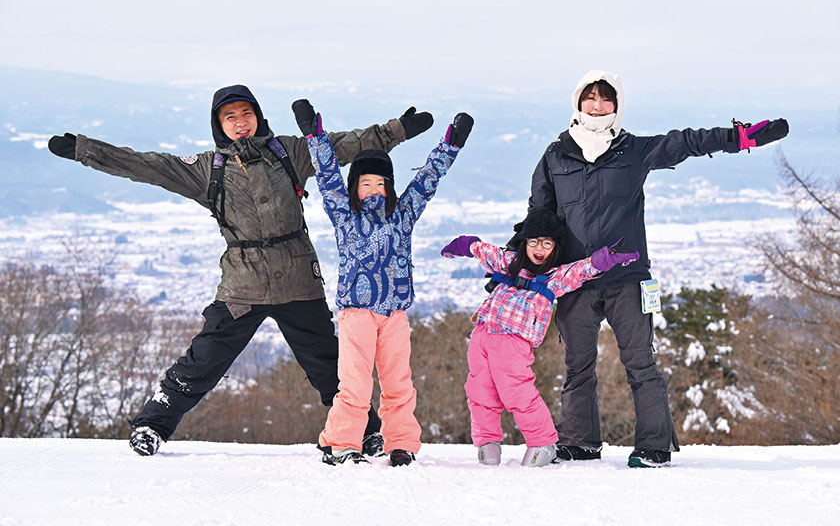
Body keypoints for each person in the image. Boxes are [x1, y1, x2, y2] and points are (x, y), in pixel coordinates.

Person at [46, 85, 435, 456]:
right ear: (219, 124)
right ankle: (152, 425)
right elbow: (148, 166)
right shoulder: (207, 169)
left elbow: (345, 145)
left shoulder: (289, 153)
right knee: (204, 360)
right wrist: (86, 150)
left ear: (258, 116)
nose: (240, 121)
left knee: (330, 366)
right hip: (242, 285)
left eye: (246, 113)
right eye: (229, 116)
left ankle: (364, 432)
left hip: (297, 276)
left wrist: (396, 131)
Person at [527, 70, 789, 467]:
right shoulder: (556, 155)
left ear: (617, 105)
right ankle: (580, 441)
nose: (598, 106)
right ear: (578, 102)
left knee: (640, 362)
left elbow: (687, 142)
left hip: (628, 277)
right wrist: (520, 267)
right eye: (590, 98)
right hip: (574, 279)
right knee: (576, 366)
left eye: (606, 99)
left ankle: (654, 445)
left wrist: (739, 137)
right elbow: (538, 217)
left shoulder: (633, 150)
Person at [293, 99, 472, 467]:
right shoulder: (345, 215)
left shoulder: (402, 215)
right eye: (365, 183)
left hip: (394, 314)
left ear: (389, 187)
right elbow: (327, 175)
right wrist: (314, 135)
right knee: (356, 384)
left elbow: (426, 181)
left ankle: (401, 443)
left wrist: (451, 145)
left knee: (398, 383)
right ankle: (342, 442)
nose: (373, 189)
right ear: (354, 187)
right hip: (357, 314)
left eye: (381, 183)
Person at [440, 209, 638, 467]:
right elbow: (485, 251)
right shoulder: (509, 263)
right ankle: (487, 443)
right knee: (480, 392)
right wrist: (466, 245)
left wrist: (604, 260)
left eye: (546, 243)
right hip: (482, 335)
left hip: (513, 342)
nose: (538, 248)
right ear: (524, 244)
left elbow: (581, 270)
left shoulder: (554, 277)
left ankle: (542, 441)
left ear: (554, 248)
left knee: (517, 393)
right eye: (533, 242)